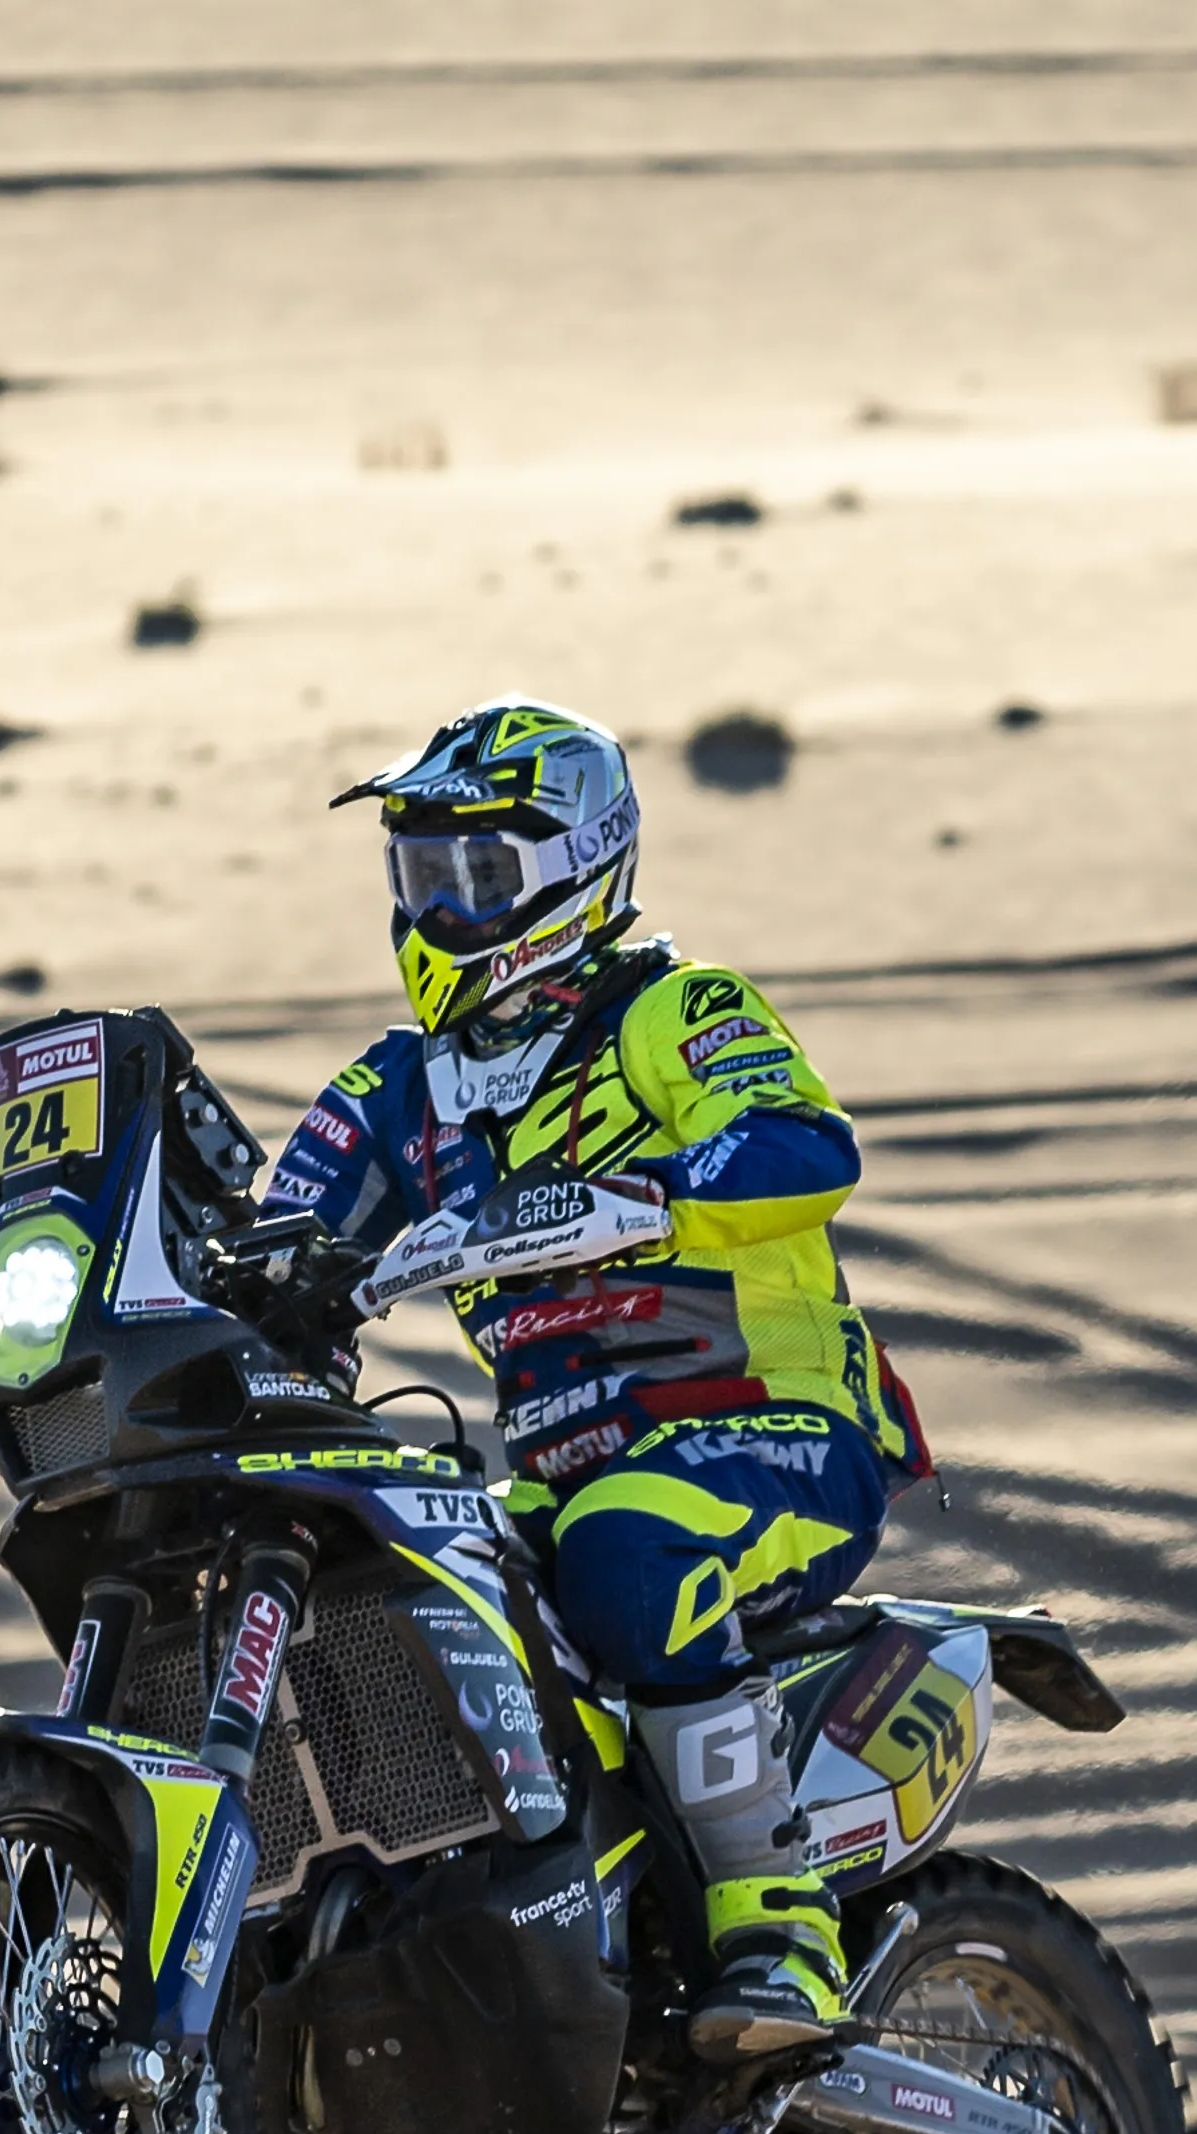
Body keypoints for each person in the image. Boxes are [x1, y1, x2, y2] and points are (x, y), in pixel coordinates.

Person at [256, 699, 921, 2054]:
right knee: (401, 1592)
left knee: (629, 1550)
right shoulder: (396, 1091)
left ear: (577, 866)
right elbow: (277, 1236)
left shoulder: (677, 1009)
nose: (442, 908)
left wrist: (642, 1198)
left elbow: (803, 1144)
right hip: (561, 1474)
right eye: (421, 873)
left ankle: (779, 1926)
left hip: (771, 1431)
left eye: (479, 872)